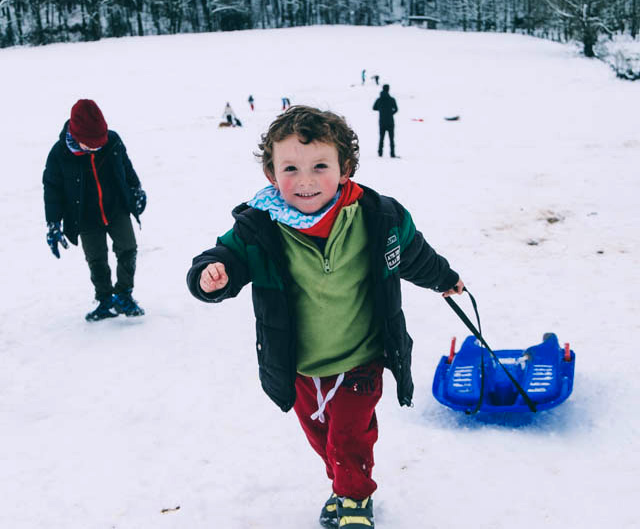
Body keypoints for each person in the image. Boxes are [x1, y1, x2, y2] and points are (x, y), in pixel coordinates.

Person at [186, 106, 463, 529]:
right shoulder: (260, 227)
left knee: (349, 434)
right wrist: (213, 276)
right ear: (271, 173)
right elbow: (225, 257)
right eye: (291, 168)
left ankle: (355, 500)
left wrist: (445, 278)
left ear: (345, 167)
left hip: (361, 356)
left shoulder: (379, 216)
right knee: (322, 439)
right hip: (299, 363)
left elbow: (414, 254)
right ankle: (341, 483)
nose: (306, 180)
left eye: (320, 165)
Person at [43, 99, 147, 321]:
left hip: (116, 208)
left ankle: (124, 295)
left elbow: (126, 168)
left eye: (100, 143)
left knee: (128, 248)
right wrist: (53, 223)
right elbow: (52, 191)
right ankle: (105, 299)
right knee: (96, 258)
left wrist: (136, 189)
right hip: (85, 217)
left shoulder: (113, 141)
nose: (97, 148)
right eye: (91, 145)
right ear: (77, 136)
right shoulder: (59, 154)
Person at [373, 84, 398, 158]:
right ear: (388, 89)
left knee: (381, 138)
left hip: (382, 121)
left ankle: (380, 153)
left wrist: (381, 110)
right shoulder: (391, 99)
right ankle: (392, 153)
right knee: (391, 138)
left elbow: (374, 108)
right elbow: (396, 109)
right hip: (390, 121)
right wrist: (391, 113)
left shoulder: (379, 99)